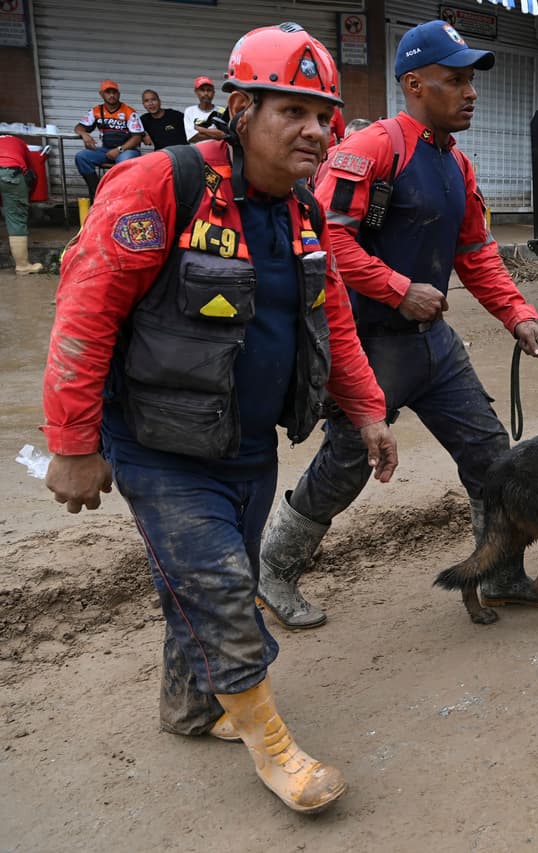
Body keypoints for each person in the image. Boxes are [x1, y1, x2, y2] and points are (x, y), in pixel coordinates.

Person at [42, 23, 397, 814]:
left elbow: (332, 316)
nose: (314, 130)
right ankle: (273, 745)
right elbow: (85, 314)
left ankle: (191, 707)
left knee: (197, 590)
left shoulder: (303, 210)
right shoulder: (156, 185)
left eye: (324, 116)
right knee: (223, 586)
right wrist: (71, 444)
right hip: (157, 445)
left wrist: (367, 409)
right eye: (292, 112)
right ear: (240, 109)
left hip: (245, 446)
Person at [255, 20, 538, 628]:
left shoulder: (457, 166)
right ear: (414, 84)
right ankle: (274, 568)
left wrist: (517, 314)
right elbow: (325, 239)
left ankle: (499, 572)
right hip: (366, 346)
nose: (470, 93)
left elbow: (476, 254)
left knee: (491, 453)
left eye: (472, 81)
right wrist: (395, 288)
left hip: (433, 346)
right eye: (455, 80)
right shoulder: (371, 150)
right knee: (346, 464)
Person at [74, 80, 144, 202]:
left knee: (124, 162)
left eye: (114, 92)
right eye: (108, 92)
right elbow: (78, 127)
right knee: (81, 157)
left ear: (119, 94)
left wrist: (119, 149)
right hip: (106, 150)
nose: (112, 95)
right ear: (101, 94)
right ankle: (97, 193)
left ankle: (119, 198)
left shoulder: (129, 111)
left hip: (127, 150)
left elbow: (137, 137)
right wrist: (84, 134)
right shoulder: (96, 111)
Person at [0, 134, 43, 274]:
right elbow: (31, 170)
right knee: (16, 219)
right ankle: (22, 266)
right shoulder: (19, 143)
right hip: (10, 173)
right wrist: (26, 198)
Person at [184, 76, 226, 143]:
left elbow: (223, 135)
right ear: (196, 92)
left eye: (209, 90)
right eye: (202, 90)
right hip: (198, 152)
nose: (206, 93)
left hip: (217, 152)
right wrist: (215, 134)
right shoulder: (190, 111)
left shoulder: (222, 111)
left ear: (214, 93)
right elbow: (192, 137)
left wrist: (200, 129)